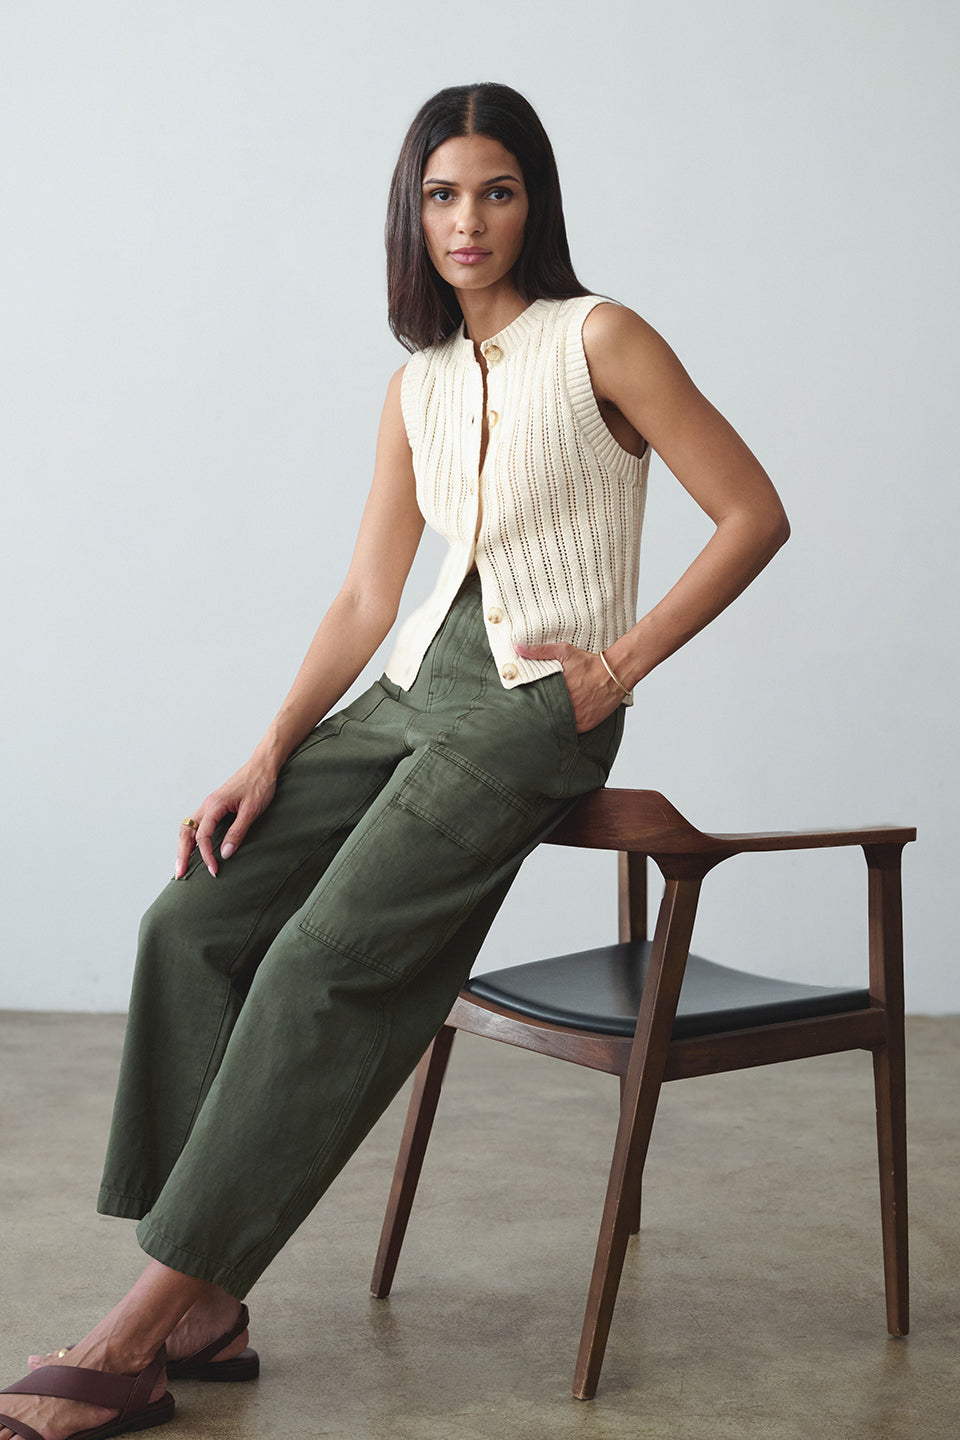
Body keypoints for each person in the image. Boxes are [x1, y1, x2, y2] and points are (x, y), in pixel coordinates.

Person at [0, 81, 789, 1440]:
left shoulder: (600, 338)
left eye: (496, 191)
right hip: (407, 690)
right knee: (191, 919)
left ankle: (131, 1337)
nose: (468, 220)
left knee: (323, 964)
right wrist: (266, 753)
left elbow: (752, 513)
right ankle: (206, 1306)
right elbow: (370, 597)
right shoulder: (414, 384)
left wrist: (618, 667)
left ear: (534, 203)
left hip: (530, 706)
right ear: (411, 215)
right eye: (441, 195)